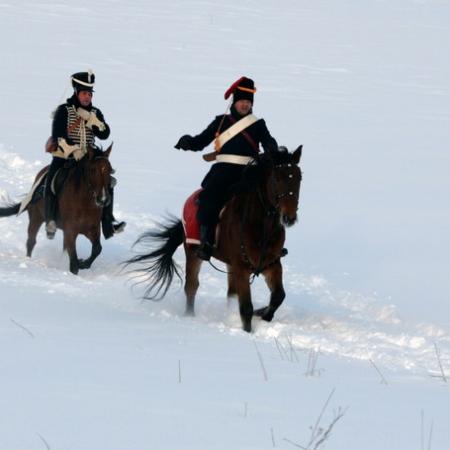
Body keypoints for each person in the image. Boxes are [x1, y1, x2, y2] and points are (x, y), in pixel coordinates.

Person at [175, 76, 279, 261]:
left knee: (270, 200)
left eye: (248, 102)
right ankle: (206, 242)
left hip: (249, 173)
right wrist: (188, 142)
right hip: (223, 172)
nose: (245, 105)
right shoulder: (221, 122)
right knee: (208, 199)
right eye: (242, 101)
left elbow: (268, 141)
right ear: (235, 101)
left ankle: (272, 244)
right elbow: (201, 141)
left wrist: (272, 149)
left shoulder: (258, 124)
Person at [45, 71, 126, 239]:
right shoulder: (64, 111)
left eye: (89, 93)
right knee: (52, 182)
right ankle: (51, 221)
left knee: (107, 181)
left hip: (89, 159)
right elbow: (58, 136)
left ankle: (108, 223)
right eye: (84, 93)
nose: (87, 97)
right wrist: (74, 150)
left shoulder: (95, 112)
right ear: (76, 93)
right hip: (65, 157)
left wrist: (93, 120)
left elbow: (105, 134)